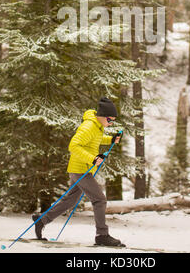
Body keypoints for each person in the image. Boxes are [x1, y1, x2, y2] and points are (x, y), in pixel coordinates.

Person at [32, 97, 124, 246]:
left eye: (113, 121)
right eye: (109, 119)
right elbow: (73, 145)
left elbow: (95, 140)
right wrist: (92, 158)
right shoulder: (89, 126)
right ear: (101, 115)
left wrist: (111, 139)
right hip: (81, 169)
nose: (111, 123)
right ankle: (102, 235)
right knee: (99, 199)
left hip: (79, 169)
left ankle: (41, 220)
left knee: (70, 200)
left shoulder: (97, 126)